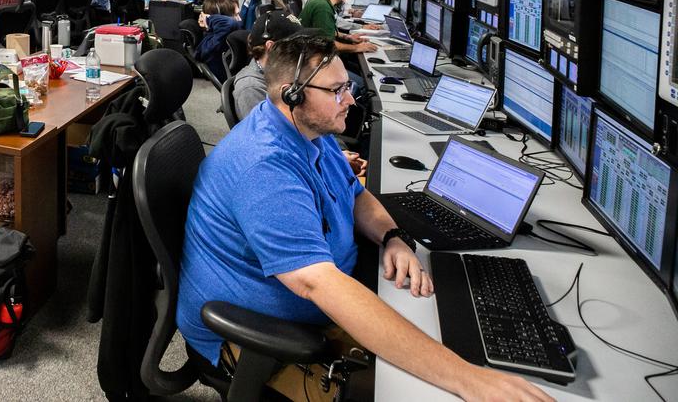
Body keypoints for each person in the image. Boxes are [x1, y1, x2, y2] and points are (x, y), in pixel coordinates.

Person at [177, 36, 552, 402]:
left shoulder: (308, 129)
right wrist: (467, 379)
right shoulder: (264, 168)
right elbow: (316, 284)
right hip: (259, 338)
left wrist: (393, 236)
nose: (350, 99)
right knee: (416, 387)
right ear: (293, 94)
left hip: (314, 302)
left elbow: (355, 194)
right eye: (337, 90)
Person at [197, 0, 241, 83]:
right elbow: (230, 23)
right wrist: (208, 18)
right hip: (235, 82)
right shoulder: (213, 42)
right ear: (221, 17)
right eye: (236, 15)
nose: (239, 19)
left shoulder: (219, 35)